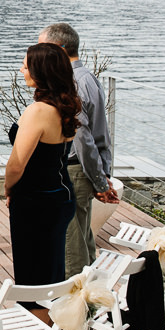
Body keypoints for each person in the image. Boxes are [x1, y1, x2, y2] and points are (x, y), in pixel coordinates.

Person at [6, 43, 81, 323]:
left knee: (33, 278)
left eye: (26, 65)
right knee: (50, 270)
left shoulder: (38, 111)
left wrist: (8, 187)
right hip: (60, 195)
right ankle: (49, 323)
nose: (22, 70)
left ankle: (39, 327)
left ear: (40, 71)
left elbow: (16, 164)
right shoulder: (63, 106)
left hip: (36, 202)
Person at [38, 23, 119, 278]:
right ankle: (91, 301)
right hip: (83, 171)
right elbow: (101, 133)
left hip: (74, 171)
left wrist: (100, 181)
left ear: (60, 50)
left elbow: (83, 138)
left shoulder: (73, 83)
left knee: (72, 248)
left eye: (43, 48)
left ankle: (77, 308)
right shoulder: (88, 77)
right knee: (84, 239)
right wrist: (103, 173)